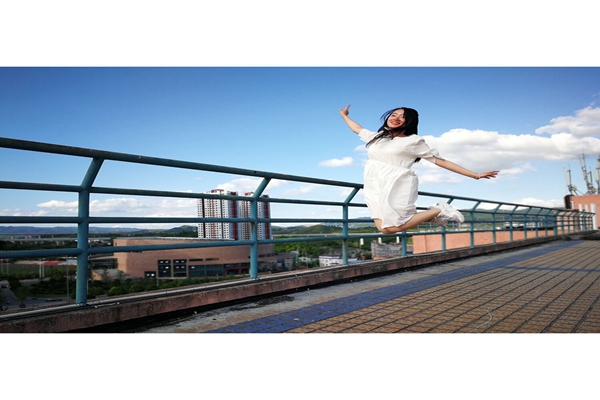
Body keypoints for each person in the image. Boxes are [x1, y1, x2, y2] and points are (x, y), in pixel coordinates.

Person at [339, 104, 499, 234]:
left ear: (409, 122)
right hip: (374, 183)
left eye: (402, 117)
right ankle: (432, 215)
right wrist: (344, 116)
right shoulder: (378, 137)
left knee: (394, 225)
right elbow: (357, 129)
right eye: (393, 115)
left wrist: (475, 175)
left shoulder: (414, 141)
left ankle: (438, 211)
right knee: (384, 229)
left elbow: (440, 161)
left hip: (397, 183)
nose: (396, 118)